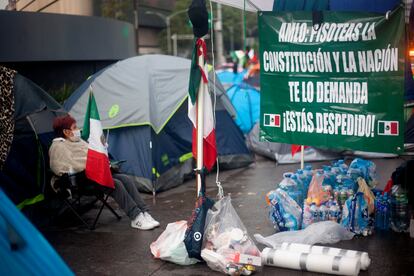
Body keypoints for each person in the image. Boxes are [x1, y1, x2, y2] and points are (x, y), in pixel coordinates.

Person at [49, 114, 159, 231]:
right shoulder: (58, 147)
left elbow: (94, 155)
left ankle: (144, 212)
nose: (77, 130)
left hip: (97, 174)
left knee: (125, 179)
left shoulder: (79, 141)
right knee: (115, 183)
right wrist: (93, 165)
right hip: (81, 181)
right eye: (74, 127)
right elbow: (62, 167)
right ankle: (136, 217)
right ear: (66, 132)